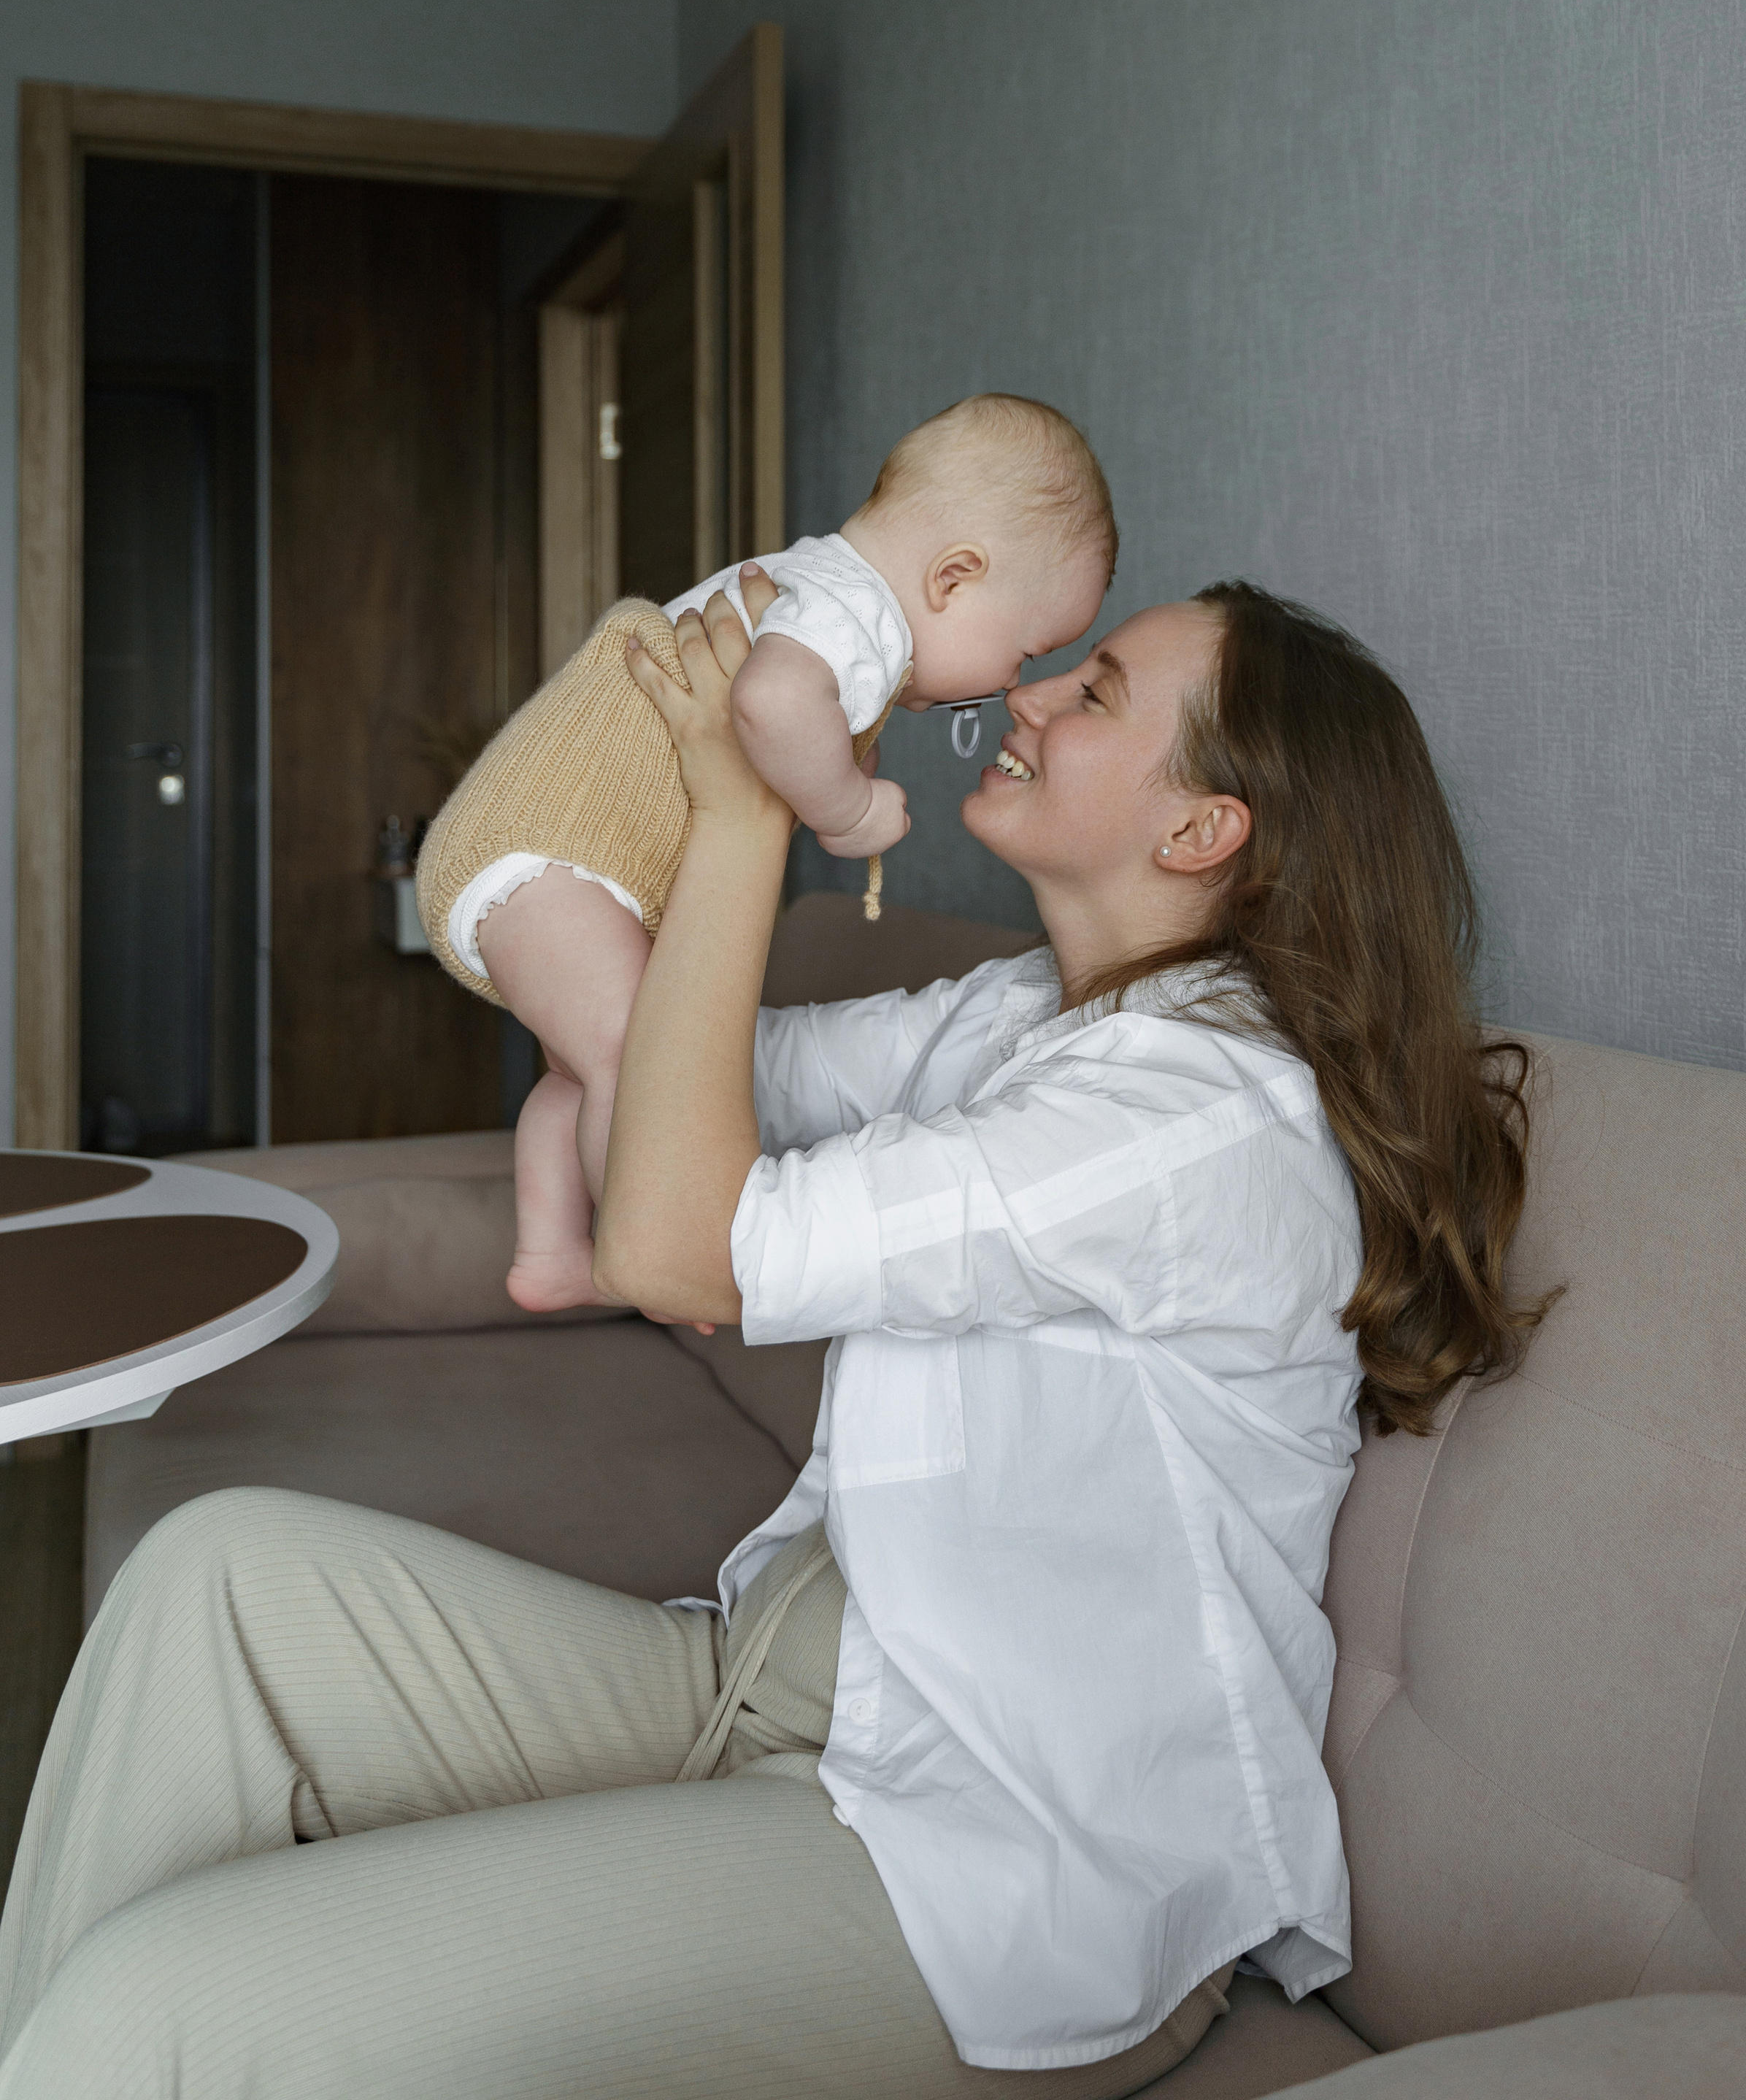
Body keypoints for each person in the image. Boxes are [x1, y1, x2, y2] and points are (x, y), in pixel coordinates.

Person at [0, 574, 1547, 2100]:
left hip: (1003, 1864)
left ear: (1201, 831)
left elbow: (675, 1243)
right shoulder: (1024, 1019)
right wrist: (593, 821)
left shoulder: (1189, 1123)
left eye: (1094, 697)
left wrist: (743, 821)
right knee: (219, 1583)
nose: (1030, 694)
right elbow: (667, 1073)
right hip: (787, 1679)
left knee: (166, 2002)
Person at [415, 393, 1116, 1309]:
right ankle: (643, 1249)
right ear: (952, 579)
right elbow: (771, 705)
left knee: (588, 1066)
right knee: (634, 1057)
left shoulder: (812, 586)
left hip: (542, 859)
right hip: (551, 857)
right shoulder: (850, 615)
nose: (1013, 684)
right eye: (1024, 652)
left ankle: (551, 1253)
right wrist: (848, 810)